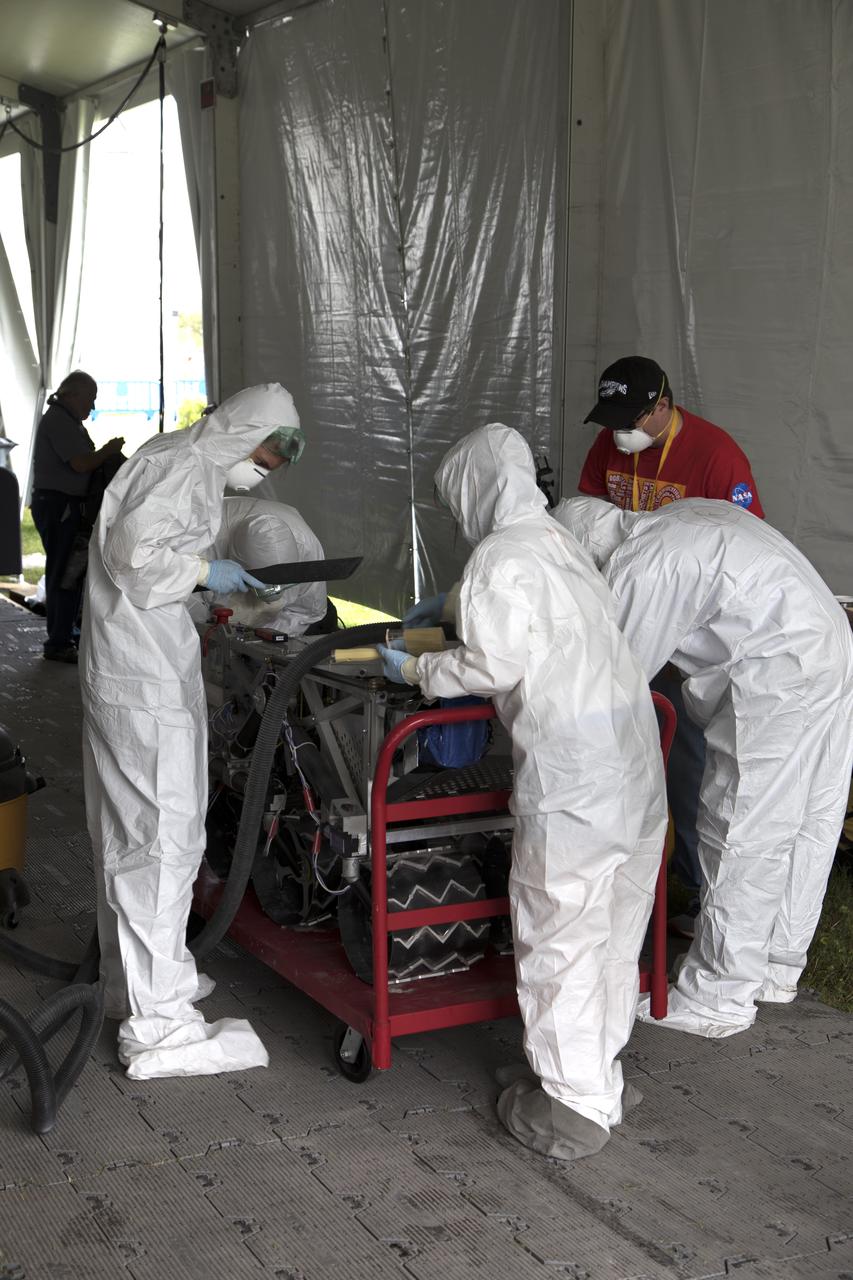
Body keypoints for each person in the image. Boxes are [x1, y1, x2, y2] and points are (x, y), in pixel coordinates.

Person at [377, 424, 667, 1161]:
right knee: (608, 929)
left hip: (577, 780)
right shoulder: (559, 543)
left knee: (560, 931)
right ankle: (593, 1075)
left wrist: (414, 670)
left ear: (473, 491)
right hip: (633, 768)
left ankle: (570, 1110)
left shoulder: (500, 556)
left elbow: (489, 665)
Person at [553, 496, 853, 1038]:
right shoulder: (673, 519)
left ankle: (720, 994)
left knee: (742, 826)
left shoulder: (640, 564)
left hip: (776, 668)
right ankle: (774, 965)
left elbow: (609, 675)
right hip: (824, 637)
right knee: (808, 816)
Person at [80, 383, 304, 1080]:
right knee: (160, 839)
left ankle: (140, 980)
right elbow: (135, 560)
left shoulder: (189, 464)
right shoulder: (183, 467)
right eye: (269, 448)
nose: (270, 464)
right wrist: (207, 569)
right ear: (244, 431)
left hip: (143, 666)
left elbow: (154, 559)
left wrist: (208, 587)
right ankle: (160, 1028)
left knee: (142, 835)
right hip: (139, 678)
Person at [579, 356, 765, 938]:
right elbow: (585, 522)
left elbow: (746, 546)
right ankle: (623, 873)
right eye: (610, 421)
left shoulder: (715, 455)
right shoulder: (609, 447)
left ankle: (696, 882)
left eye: (629, 419)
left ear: (663, 405)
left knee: (689, 759)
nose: (618, 434)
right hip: (627, 622)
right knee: (614, 746)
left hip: (693, 638)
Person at [29, 371, 124, 662]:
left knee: (68, 573)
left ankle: (65, 635)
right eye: (90, 399)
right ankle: (59, 642)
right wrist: (108, 451)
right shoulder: (59, 420)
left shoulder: (67, 421)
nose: (92, 407)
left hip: (65, 507)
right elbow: (81, 464)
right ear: (72, 394)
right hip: (59, 507)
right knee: (65, 575)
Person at [190, 495, 334, 637]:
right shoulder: (201, 539)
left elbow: (306, 612)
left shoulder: (307, 548)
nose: (272, 591)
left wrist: (265, 638)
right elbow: (188, 609)